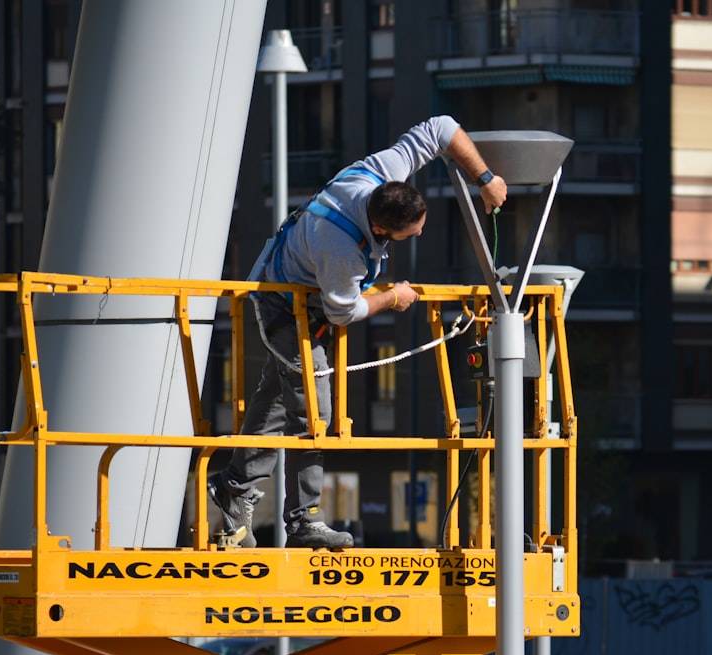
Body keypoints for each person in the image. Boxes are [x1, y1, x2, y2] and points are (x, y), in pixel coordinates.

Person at [208, 116, 507, 549]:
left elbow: (442, 128)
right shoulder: (340, 249)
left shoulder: (381, 172)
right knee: (315, 409)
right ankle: (303, 519)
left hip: (305, 294)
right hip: (284, 303)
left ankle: (235, 486)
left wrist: (485, 178)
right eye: (410, 234)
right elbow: (344, 310)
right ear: (382, 229)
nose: (419, 233)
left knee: (278, 397)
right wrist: (393, 297)